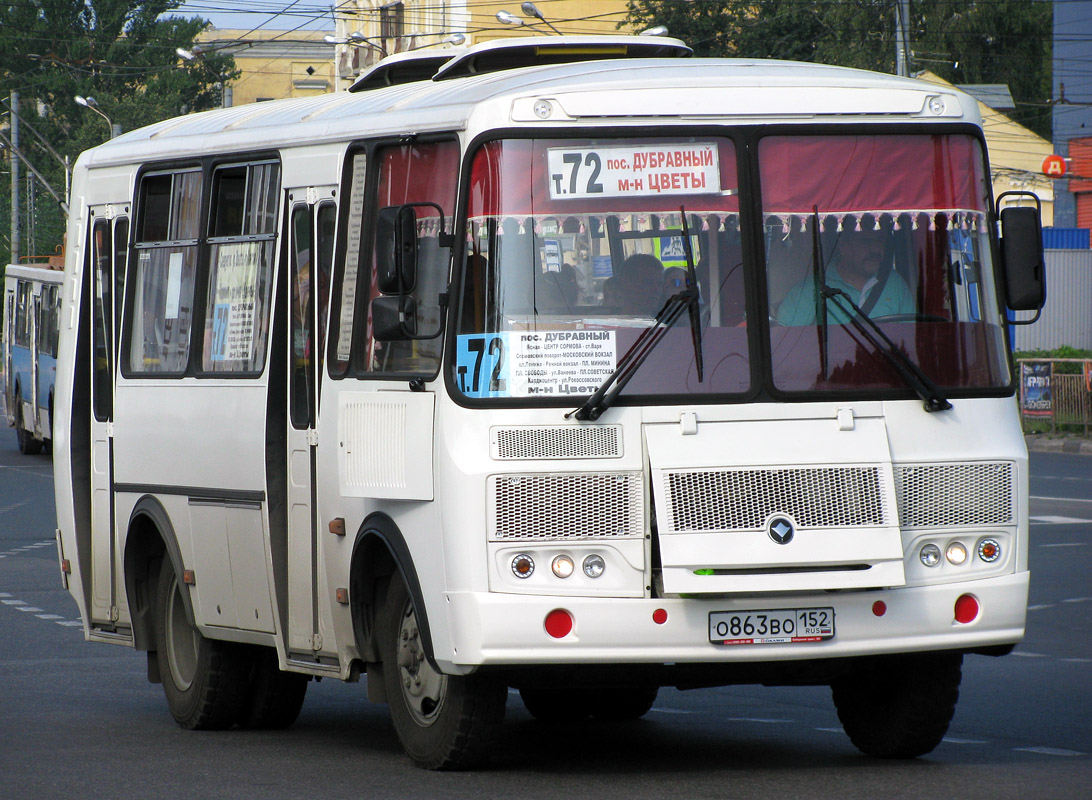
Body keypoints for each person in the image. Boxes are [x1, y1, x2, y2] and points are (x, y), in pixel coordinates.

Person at [775, 222, 914, 325]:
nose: (876, 249)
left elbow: (910, 339)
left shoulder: (895, 284)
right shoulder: (810, 290)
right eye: (866, 241)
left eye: (880, 240)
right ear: (843, 246)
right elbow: (787, 344)